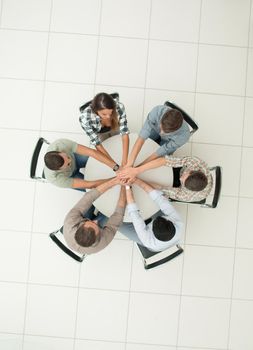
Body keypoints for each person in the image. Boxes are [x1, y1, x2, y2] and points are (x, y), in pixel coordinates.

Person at [63, 177, 126, 254]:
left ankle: (92, 216)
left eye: (91, 222)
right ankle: (100, 214)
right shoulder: (103, 241)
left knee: (89, 201)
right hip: (94, 230)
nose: (96, 221)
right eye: (96, 225)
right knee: (107, 216)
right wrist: (125, 186)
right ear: (98, 236)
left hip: (80, 218)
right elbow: (118, 215)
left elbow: (89, 197)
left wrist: (115, 181)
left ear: (80, 226)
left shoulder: (70, 221)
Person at [119, 178, 183, 252]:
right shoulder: (178, 222)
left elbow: (134, 213)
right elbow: (159, 198)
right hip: (171, 237)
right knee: (161, 200)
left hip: (155, 247)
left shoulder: (148, 240)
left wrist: (127, 187)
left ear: (151, 230)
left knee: (117, 223)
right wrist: (135, 180)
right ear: (171, 222)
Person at [118, 155, 213, 203]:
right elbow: (164, 160)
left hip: (178, 189)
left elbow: (160, 188)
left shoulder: (186, 195)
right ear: (193, 171)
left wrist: (135, 180)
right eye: (184, 175)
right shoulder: (196, 163)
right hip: (186, 169)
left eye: (182, 181)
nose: (180, 178)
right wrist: (137, 171)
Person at [124, 105, 190, 168]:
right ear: (161, 119)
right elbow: (141, 138)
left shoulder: (183, 136)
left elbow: (162, 151)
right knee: (146, 147)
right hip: (154, 130)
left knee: (160, 159)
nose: (161, 133)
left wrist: (139, 167)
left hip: (168, 141)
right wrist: (130, 163)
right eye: (161, 128)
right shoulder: (156, 112)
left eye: (166, 132)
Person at [44, 138, 119, 190]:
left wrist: (116, 167)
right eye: (67, 165)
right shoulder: (55, 179)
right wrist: (115, 180)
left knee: (95, 158)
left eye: (67, 157)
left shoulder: (60, 144)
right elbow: (90, 185)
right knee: (94, 191)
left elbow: (92, 152)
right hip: (71, 176)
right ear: (59, 170)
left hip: (76, 158)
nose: (70, 162)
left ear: (60, 152)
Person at [79, 92, 130, 170]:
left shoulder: (119, 106)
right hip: (99, 130)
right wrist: (115, 166)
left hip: (114, 125)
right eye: (104, 114)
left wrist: (124, 160)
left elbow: (124, 133)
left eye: (111, 112)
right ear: (96, 111)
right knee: (106, 144)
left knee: (117, 141)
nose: (108, 117)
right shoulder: (85, 118)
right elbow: (97, 143)